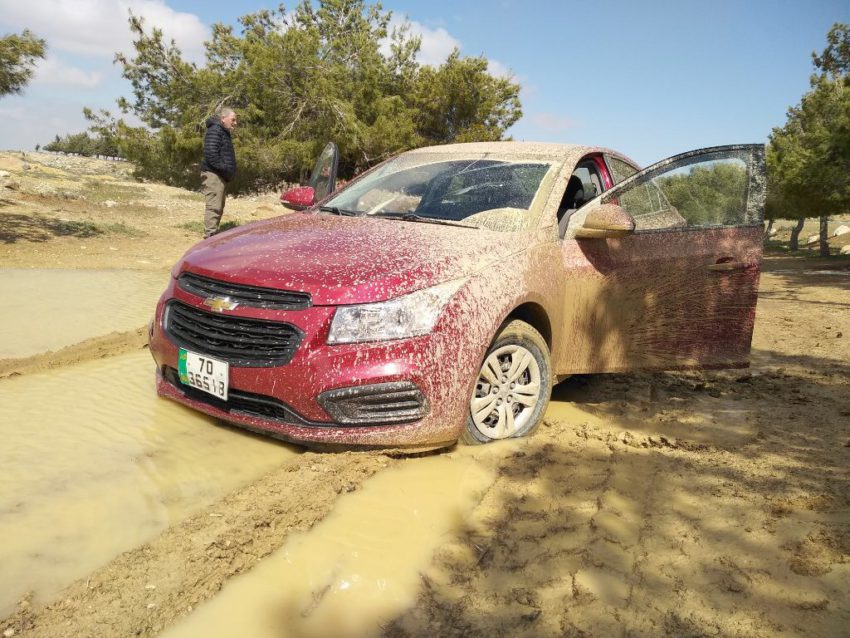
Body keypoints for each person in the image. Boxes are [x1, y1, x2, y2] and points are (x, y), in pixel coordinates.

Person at [201, 107, 238, 238]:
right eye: (233, 119)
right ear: (223, 118)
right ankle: (209, 237)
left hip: (219, 175)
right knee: (214, 206)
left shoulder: (222, 131)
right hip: (213, 174)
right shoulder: (215, 130)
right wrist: (226, 169)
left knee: (219, 205)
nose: (235, 123)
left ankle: (213, 234)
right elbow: (211, 154)